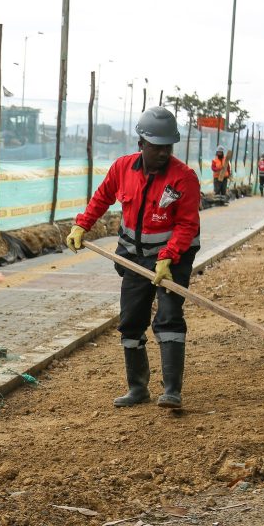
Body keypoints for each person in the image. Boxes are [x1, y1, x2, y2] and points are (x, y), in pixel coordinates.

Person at [65, 107, 201, 409]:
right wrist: (81, 224)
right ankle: (138, 388)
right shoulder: (122, 168)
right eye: (157, 147)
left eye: (168, 147)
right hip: (134, 259)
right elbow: (102, 197)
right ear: (141, 144)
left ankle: (172, 391)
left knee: (168, 318)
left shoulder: (184, 178)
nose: (164, 152)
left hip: (173, 258)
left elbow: (187, 225)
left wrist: (168, 257)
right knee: (130, 322)